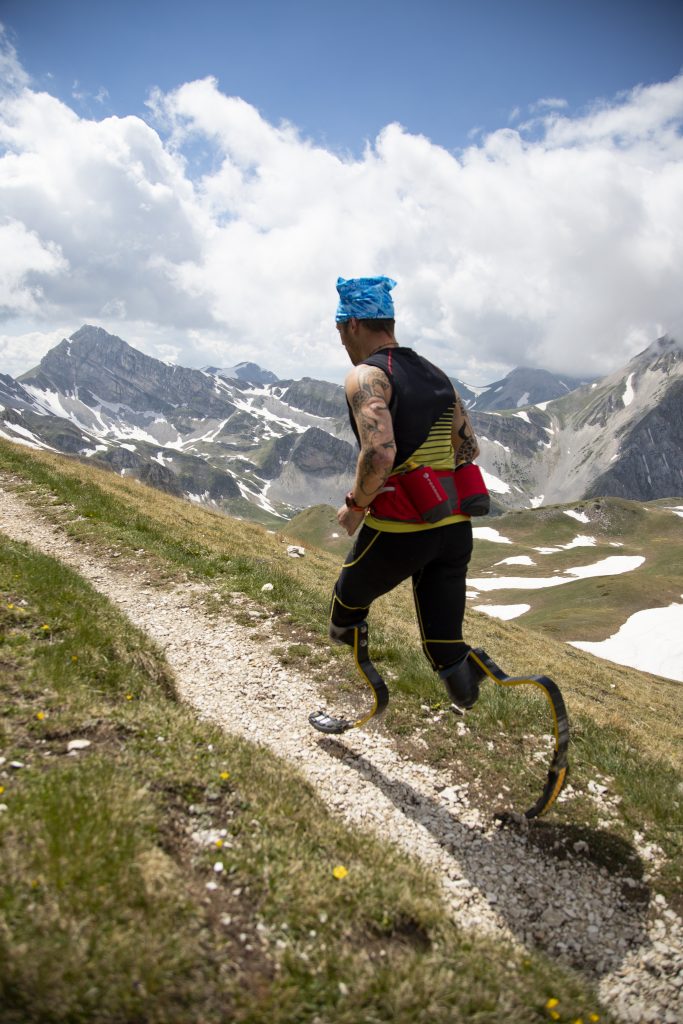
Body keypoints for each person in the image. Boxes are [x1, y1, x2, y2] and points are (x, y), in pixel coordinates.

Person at [328, 274, 486, 716]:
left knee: (345, 608)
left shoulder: (367, 376)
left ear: (354, 324)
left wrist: (356, 506)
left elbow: (380, 451)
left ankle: (354, 695)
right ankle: (481, 691)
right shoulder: (439, 376)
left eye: (340, 330)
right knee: (444, 647)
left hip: (401, 527)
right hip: (454, 529)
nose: (341, 341)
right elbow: (469, 448)